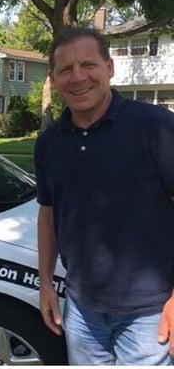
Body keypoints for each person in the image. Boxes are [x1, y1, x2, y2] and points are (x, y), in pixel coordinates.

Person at [35, 27, 174, 365]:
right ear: (53, 79)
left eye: (88, 65)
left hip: (150, 313)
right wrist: (46, 285)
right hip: (82, 310)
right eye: (65, 69)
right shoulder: (49, 142)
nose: (78, 77)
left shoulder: (157, 127)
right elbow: (49, 214)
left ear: (109, 68)